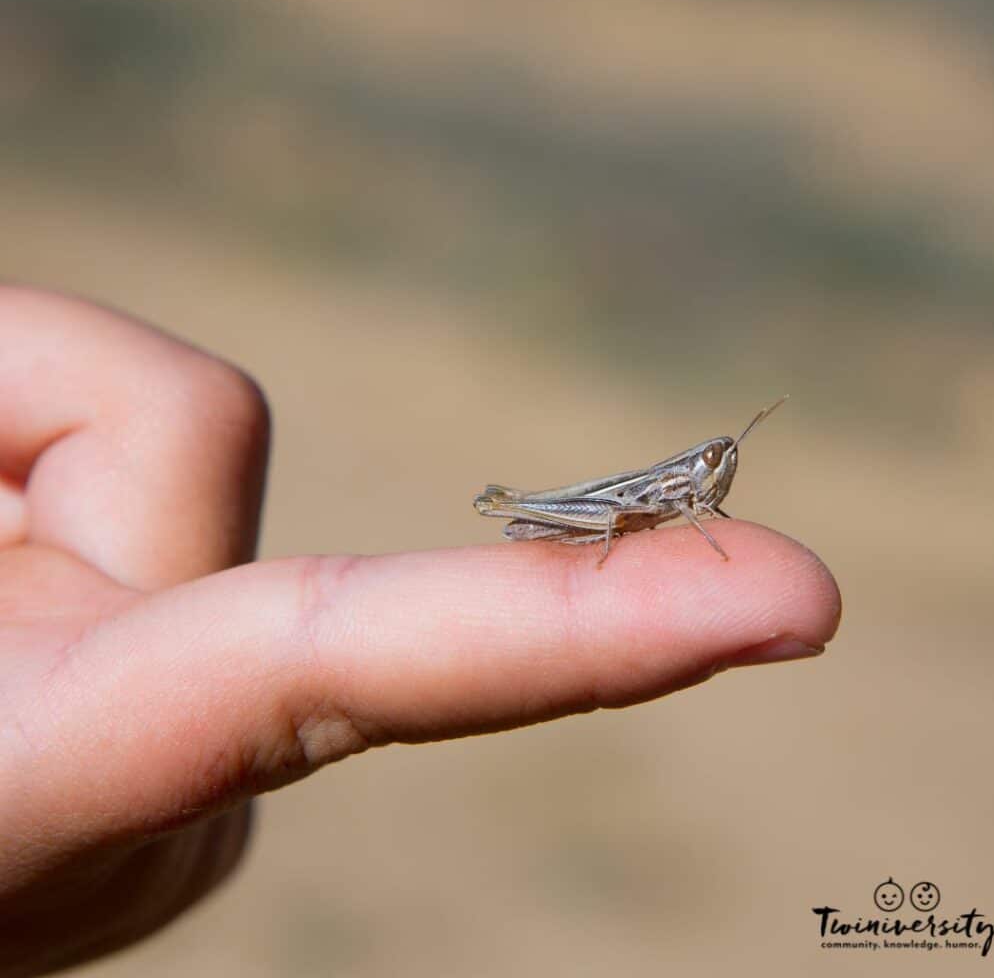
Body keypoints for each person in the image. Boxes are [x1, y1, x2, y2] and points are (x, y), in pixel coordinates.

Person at [0, 287, 841, 975]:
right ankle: (522, 504)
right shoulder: (673, 489)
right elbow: (652, 502)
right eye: (712, 465)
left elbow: (687, 509)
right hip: (590, 512)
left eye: (716, 472)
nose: (713, 475)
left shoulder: (696, 494)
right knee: (597, 515)